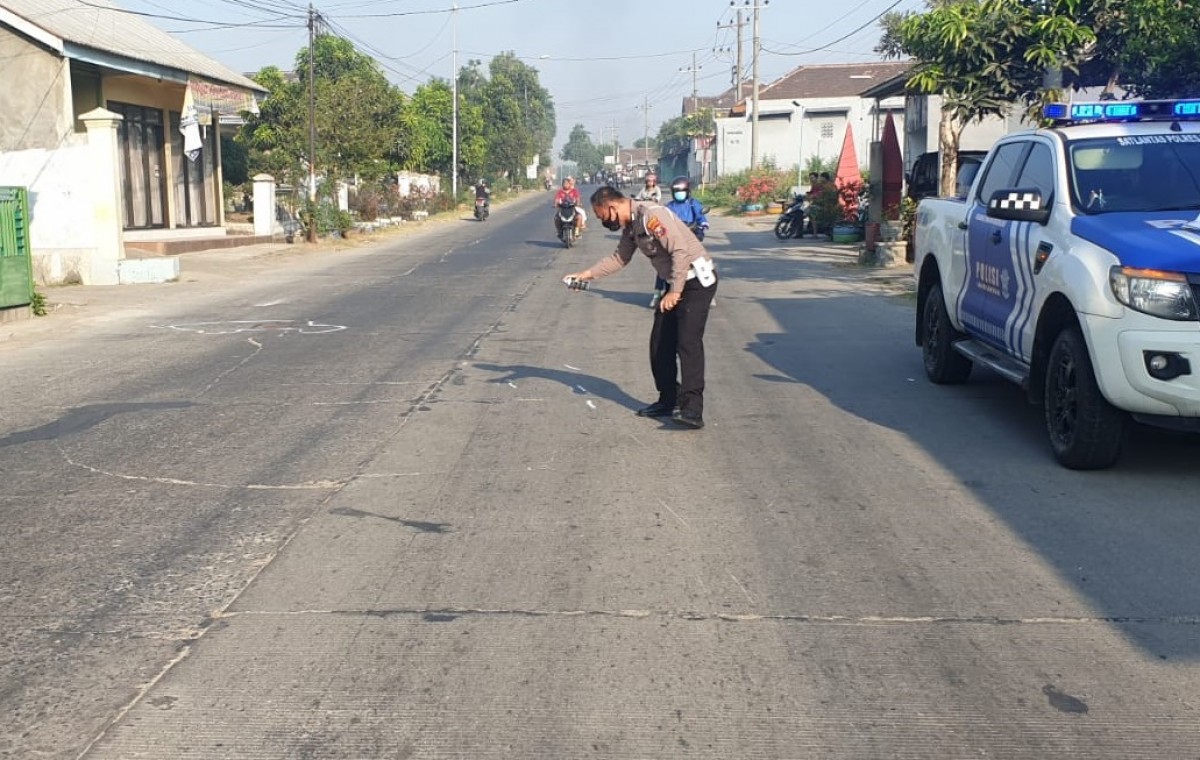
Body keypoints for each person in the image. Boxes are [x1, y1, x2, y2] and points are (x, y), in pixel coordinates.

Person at [564, 185, 718, 429]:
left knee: (687, 342)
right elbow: (619, 258)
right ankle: (668, 399)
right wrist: (586, 274)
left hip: (696, 280)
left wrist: (675, 291)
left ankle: (692, 409)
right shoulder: (631, 226)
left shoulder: (651, 215)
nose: (604, 222)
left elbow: (679, 250)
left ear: (612, 207)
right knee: (660, 344)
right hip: (677, 282)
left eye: (602, 216)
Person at [647, 176, 709, 308]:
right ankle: (657, 293)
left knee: (699, 263)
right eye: (676, 192)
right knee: (664, 266)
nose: (679, 194)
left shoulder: (693, 204)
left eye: (682, 191)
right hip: (674, 240)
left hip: (691, 237)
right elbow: (660, 221)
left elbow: (702, 219)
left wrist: (700, 229)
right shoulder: (669, 207)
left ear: (688, 191)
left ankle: (708, 292)